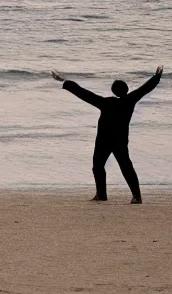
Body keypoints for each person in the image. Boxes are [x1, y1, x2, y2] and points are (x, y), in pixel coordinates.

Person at [52, 66, 163, 204]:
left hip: (103, 141)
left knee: (98, 166)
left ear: (113, 91)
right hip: (120, 141)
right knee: (126, 167)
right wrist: (157, 77)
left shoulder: (105, 103)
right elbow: (144, 89)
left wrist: (66, 83)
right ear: (126, 90)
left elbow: (84, 94)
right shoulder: (129, 101)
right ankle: (137, 196)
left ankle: (101, 194)